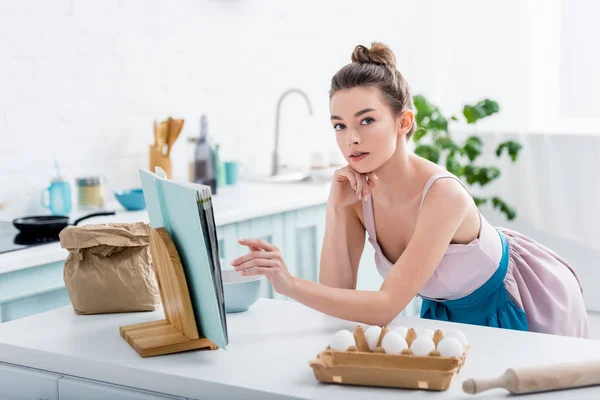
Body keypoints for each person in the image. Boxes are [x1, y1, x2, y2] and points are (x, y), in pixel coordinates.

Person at [231, 42, 590, 338]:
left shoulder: (442, 194)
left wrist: (289, 284)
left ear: (403, 122)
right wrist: (337, 207)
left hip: (515, 302)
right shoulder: (356, 199)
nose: (351, 138)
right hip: (444, 312)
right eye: (339, 125)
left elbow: (386, 307)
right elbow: (339, 297)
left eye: (366, 120)